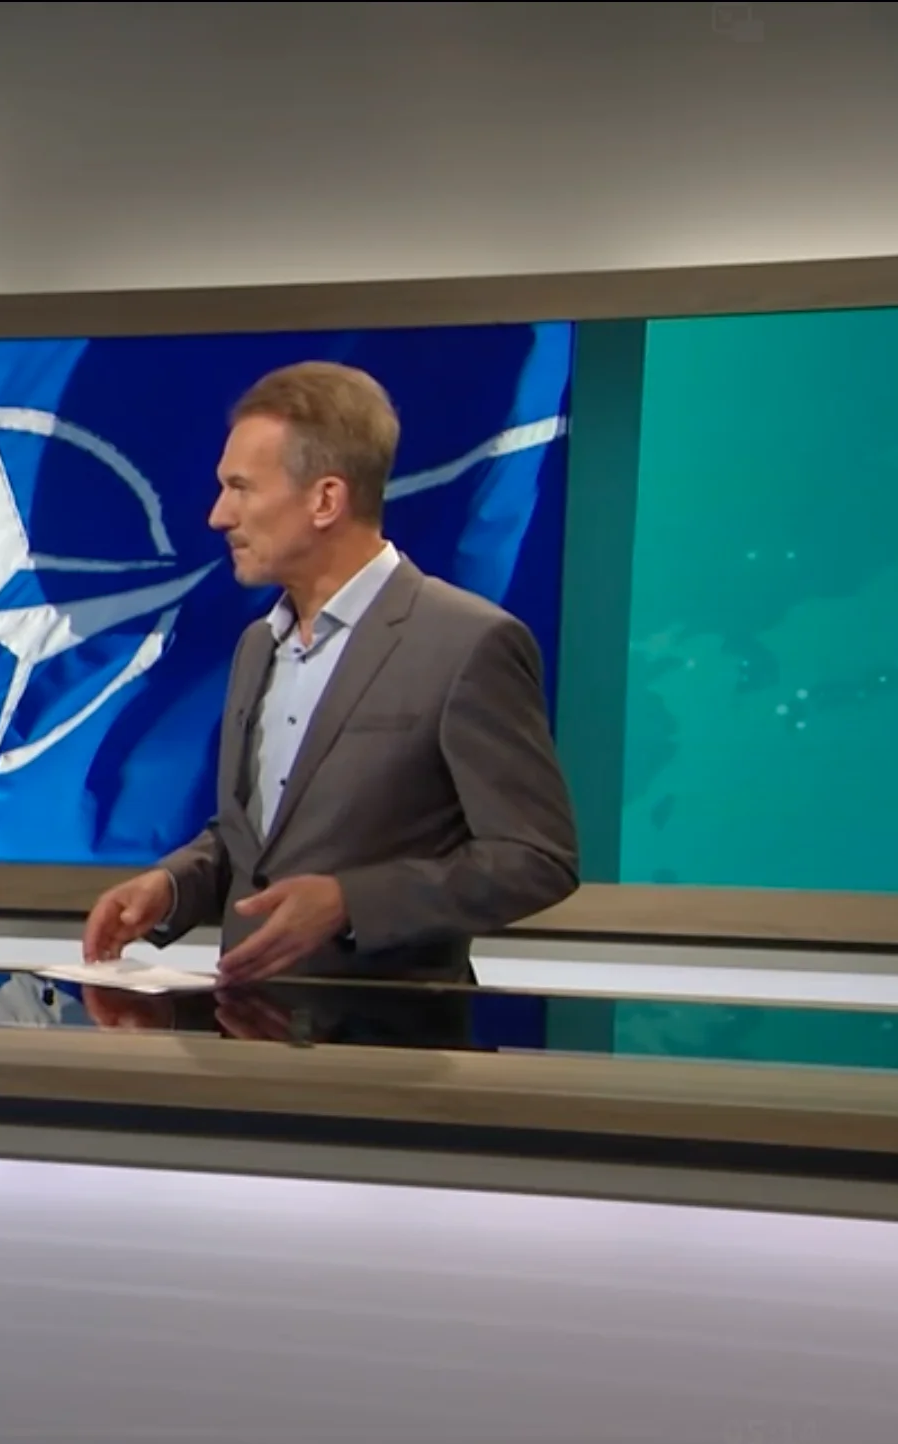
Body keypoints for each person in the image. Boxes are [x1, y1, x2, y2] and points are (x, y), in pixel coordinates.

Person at [81, 361, 579, 987]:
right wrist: (173, 885)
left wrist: (351, 903)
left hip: (388, 1032)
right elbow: (260, 838)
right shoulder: (258, 646)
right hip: (248, 1024)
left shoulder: (467, 644)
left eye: (241, 488)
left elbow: (535, 859)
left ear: (325, 500)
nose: (218, 516)